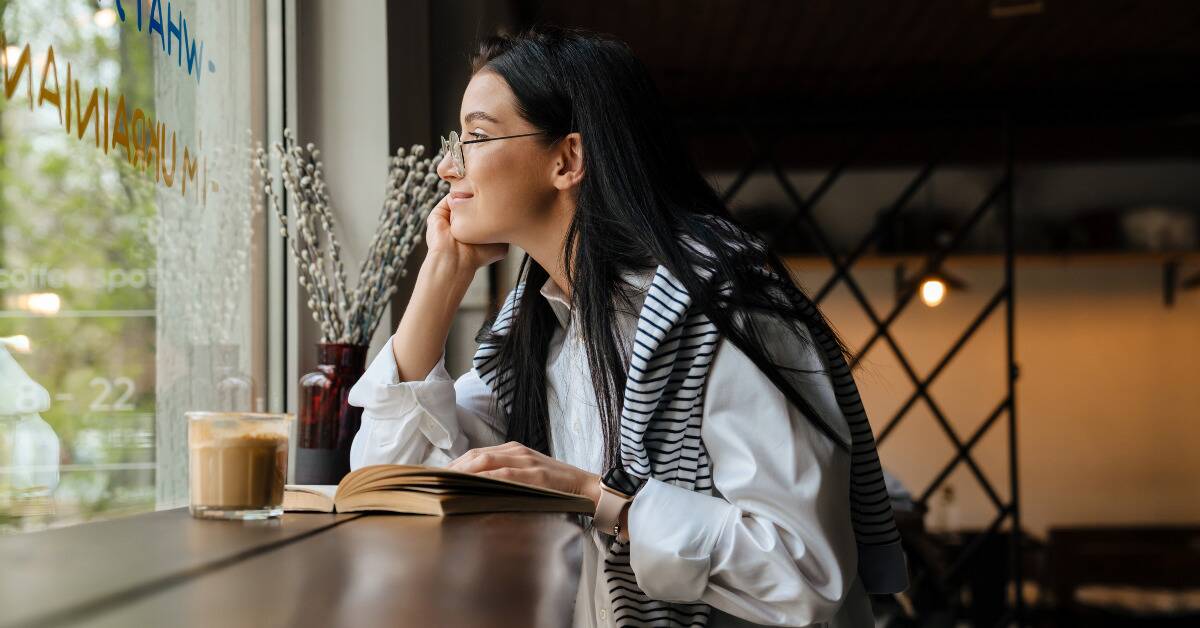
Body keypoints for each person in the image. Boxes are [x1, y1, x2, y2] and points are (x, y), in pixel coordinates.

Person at [348, 24, 903, 627]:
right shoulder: (538, 328)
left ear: (568, 159)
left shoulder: (722, 310)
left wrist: (599, 499)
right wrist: (440, 277)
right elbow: (386, 483)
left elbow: (804, 574)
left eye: (476, 137)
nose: (447, 168)